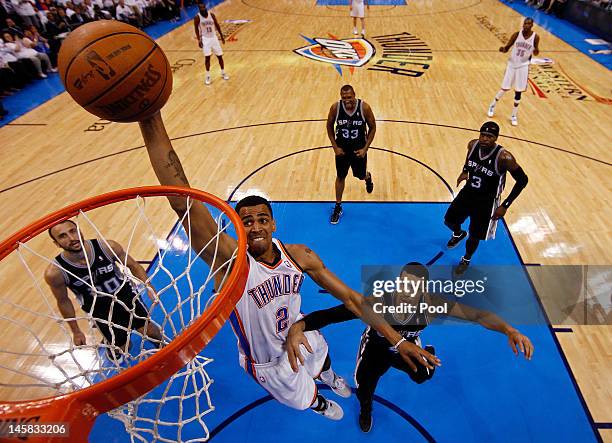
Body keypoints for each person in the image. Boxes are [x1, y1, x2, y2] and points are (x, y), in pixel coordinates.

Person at [137, 112, 440, 420]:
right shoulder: (230, 261)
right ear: (237, 229)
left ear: (273, 225)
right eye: (246, 222)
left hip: (300, 332)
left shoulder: (300, 256)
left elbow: (353, 300)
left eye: (262, 220)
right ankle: (319, 404)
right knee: (301, 399)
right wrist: (149, 118)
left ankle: (328, 377)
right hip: (268, 361)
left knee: (321, 357)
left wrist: (398, 340)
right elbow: (182, 202)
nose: (255, 227)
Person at [286, 262, 534, 432]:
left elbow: (478, 315)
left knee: (423, 374)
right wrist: (301, 325)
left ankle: (426, 353)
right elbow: (332, 315)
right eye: (403, 284)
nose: (406, 291)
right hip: (376, 348)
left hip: (407, 347)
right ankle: (365, 410)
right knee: (365, 387)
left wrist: (509, 329)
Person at [44, 220, 163, 362]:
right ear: (56, 243)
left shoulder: (107, 247)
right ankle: (111, 345)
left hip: (126, 297)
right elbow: (63, 301)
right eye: (63, 236)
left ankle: (164, 348)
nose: (71, 238)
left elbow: (134, 265)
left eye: (73, 231)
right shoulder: (55, 273)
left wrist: (149, 288)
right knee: (125, 347)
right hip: (100, 311)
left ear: (79, 230)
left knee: (152, 332)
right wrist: (75, 331)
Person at [444, 121, 528, 274]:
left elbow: (523, 180)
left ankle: (466, 259)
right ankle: (458, 233)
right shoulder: (473, 145)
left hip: (486, 202)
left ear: (496, 138)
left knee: (475, 236)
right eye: (483, 135)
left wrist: (505, 205)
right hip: (468, 192)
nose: (485, 139)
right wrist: (465, 171)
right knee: (448, 220)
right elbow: (469, 159)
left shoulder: (504, 158)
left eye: (489, 136)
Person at [327, 84, 375, 224]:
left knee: (360, 175)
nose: (347, 100)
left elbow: (373, 127)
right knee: (340, 176)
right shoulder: (335, 108)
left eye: (349, 97)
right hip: (341, 150)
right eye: (344, 98)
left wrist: (365, 148)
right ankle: (338, 206)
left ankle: (367, 177)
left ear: (354, 95)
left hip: (358, 150)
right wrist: (335, 147)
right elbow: (329, 126)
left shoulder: (364, 108)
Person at [487, 17, 540, 126]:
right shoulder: (516, 35)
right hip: (512, 64)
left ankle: (513, 115)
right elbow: (507, 48)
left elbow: (536, 53)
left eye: (528, 24)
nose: (526, 25)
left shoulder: (535, 37)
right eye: (525, 23)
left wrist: (535, 50)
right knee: (505, 88)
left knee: (518, 91)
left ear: (532, 25)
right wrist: (503, 49)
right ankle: (492, 105)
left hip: (523, 66)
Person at [193, 2, 227, 86]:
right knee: (207, 58)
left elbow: (217, 25)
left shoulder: (211, 15)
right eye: (201, 8)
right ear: (199, 9)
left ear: (205, 7)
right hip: (205, 39)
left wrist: (222, 36)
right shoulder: (197, 17)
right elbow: (196, 29)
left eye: (204, 7)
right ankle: (208, 76)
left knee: (220, 56)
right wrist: (199, 40)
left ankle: (223, 72)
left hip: (214, 37)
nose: (203, 9)